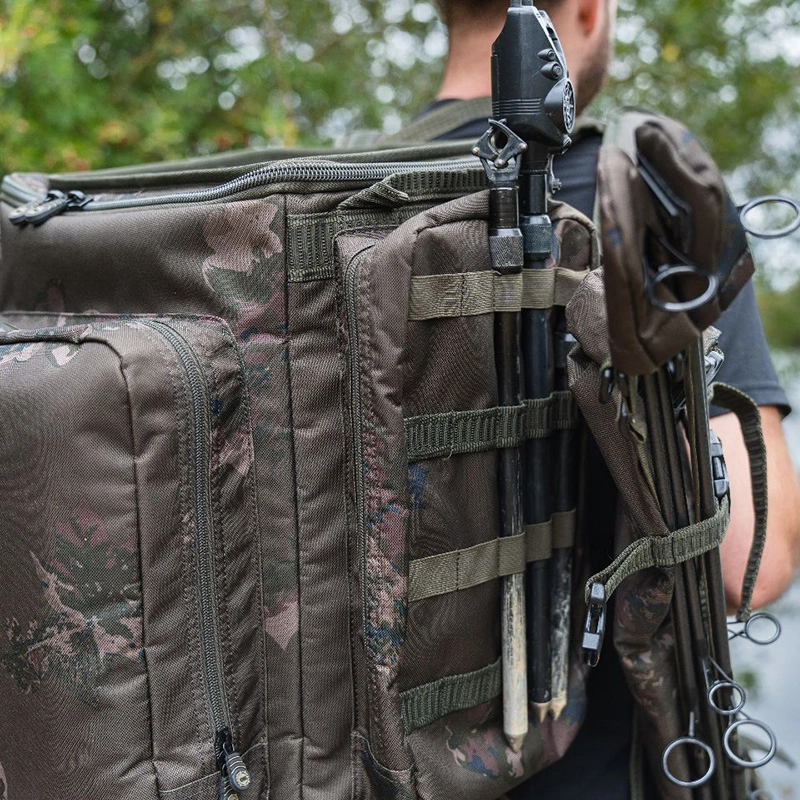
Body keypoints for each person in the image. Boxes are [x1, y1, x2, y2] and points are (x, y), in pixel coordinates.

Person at [404, 0, 800, 796]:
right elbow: (750, 566)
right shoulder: (654, 205)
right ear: (590, 9)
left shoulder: (330, 211)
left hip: (384, 771)